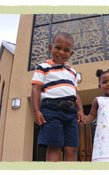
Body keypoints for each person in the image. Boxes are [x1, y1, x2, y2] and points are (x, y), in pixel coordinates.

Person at [31, 32, 84, 161]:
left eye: (66, 50)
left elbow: (75, 93)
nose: (61, 52)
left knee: (72, 147)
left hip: (71, 112)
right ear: (50, 48)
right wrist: (36, 110)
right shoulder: (43, 67)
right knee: (54, 146)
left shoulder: (72, 72)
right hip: (51, 110)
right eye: (58, 48)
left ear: (71, 54)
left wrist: (80, 110)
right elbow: (36, 89)